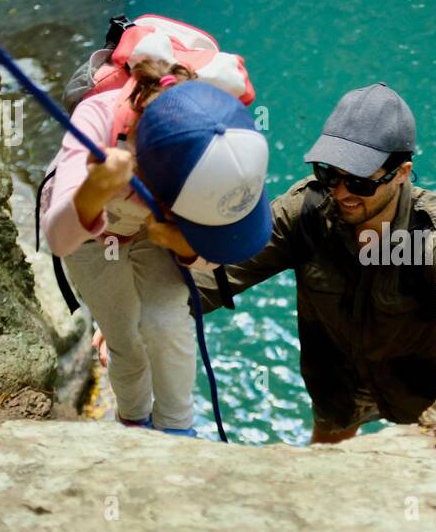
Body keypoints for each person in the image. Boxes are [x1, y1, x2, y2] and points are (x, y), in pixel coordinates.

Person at [145, 82, 436, 443]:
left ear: (403, 173)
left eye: (360, 182)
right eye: (330, 173)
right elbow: (220, 273)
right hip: (337, 385)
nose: (341, 191)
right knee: (326, 460)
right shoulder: (305, 211)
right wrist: (143, 315)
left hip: (415, 388)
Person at [43, 70, 270, 437]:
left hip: (155, 229)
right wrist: (95, 191)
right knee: (126, 343)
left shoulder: (223, 139)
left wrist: (185, 247)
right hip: (93, 235)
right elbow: (59, 238)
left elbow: (217, 246)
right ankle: (134, 423)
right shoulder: (97, 123)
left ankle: (177, 432)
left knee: (166, 322)